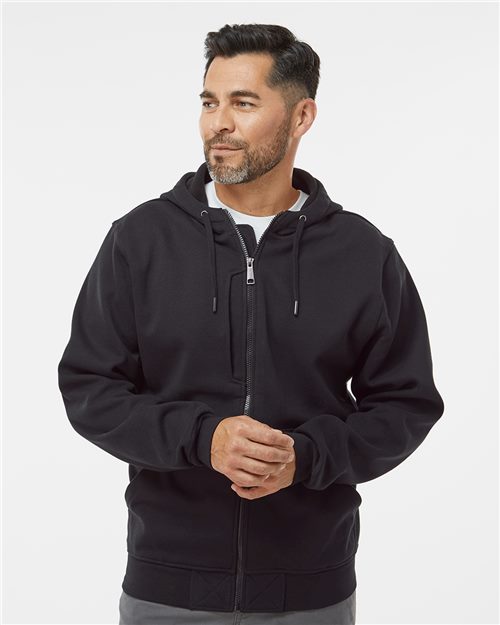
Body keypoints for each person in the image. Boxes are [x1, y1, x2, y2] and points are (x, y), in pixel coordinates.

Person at [57, 23, 445, 625]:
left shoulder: (363, 253)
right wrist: (202, 438)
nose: (218, 124)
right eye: (209, 102)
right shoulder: (141, 240)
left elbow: (405, 404)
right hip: (168, 590)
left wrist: (306, 457)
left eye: (243, 103)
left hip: (311, 591)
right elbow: (90, 389)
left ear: (301, 116)